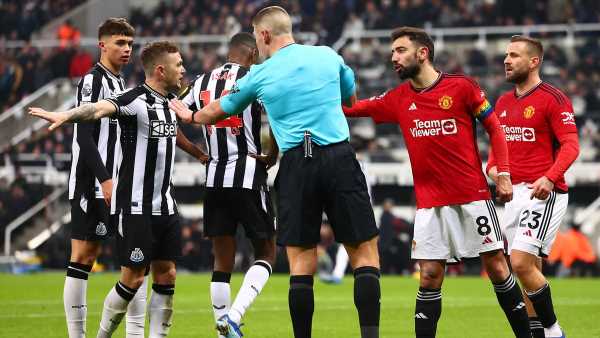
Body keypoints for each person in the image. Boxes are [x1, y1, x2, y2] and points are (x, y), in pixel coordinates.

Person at [170, 6, 381, 338]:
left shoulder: (260, 75)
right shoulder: (328, 56)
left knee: (301, 262)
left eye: (256, 34)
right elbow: (351, 101)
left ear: (264, 35)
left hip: (297, 164)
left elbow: (215, 111)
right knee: (364, 253)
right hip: (339, 157)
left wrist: (189, 116)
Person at [342, 27, 531, 338]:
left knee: (498, 268)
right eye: (392, 52)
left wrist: (505, 173)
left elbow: (495, 129)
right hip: (430, 205)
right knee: (429, 275)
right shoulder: (398, 98)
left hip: (473, 197)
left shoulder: (462, 87)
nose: (393, 58)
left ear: (422, 53)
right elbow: (352, 108)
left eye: (400, 50)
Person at [30, 41, 205, 338]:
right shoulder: (133, 99)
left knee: (167, 275)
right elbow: (99, 109)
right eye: (178, 64)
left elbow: (175, 134)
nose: (184, 69)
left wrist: (200, 154)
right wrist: (66, 116)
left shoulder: (170, 104)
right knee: (133, 279)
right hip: (135, 207)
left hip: (166, 205)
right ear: (160, 70)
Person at [178, 32, 278, 338]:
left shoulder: (200, 81)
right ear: (250, 53)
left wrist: (198, 153)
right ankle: (234, 316)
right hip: (247, 175)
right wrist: (271, 155)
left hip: (215, 178)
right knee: (268, 251)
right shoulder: (255, 77)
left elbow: (172, 119)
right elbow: (275, 118)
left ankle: (223, 329)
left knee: (222, 259)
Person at [60, 18, 149, 338]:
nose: (127, 49)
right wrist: (104, 179)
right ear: (102, 45)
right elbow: (84, 136)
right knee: (84, 256)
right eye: (120, 43)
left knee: (134, 259)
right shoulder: (92, 81)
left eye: (129, 43)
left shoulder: (120, 85)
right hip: (91, 182)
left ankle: (135, 333)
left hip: (119, 185)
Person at [487, 35, 580, 338]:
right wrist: (495, 173)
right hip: (513, 196)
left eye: (514, 55)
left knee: (521, 263)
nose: (507, 60)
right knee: (527, 270)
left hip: (544, 193)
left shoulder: (553, 98)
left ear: (534, 61)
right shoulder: (501, 103)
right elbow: (494, 156)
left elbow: (571, 145)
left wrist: (550, 177)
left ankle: (554, 332)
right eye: (506, 55)